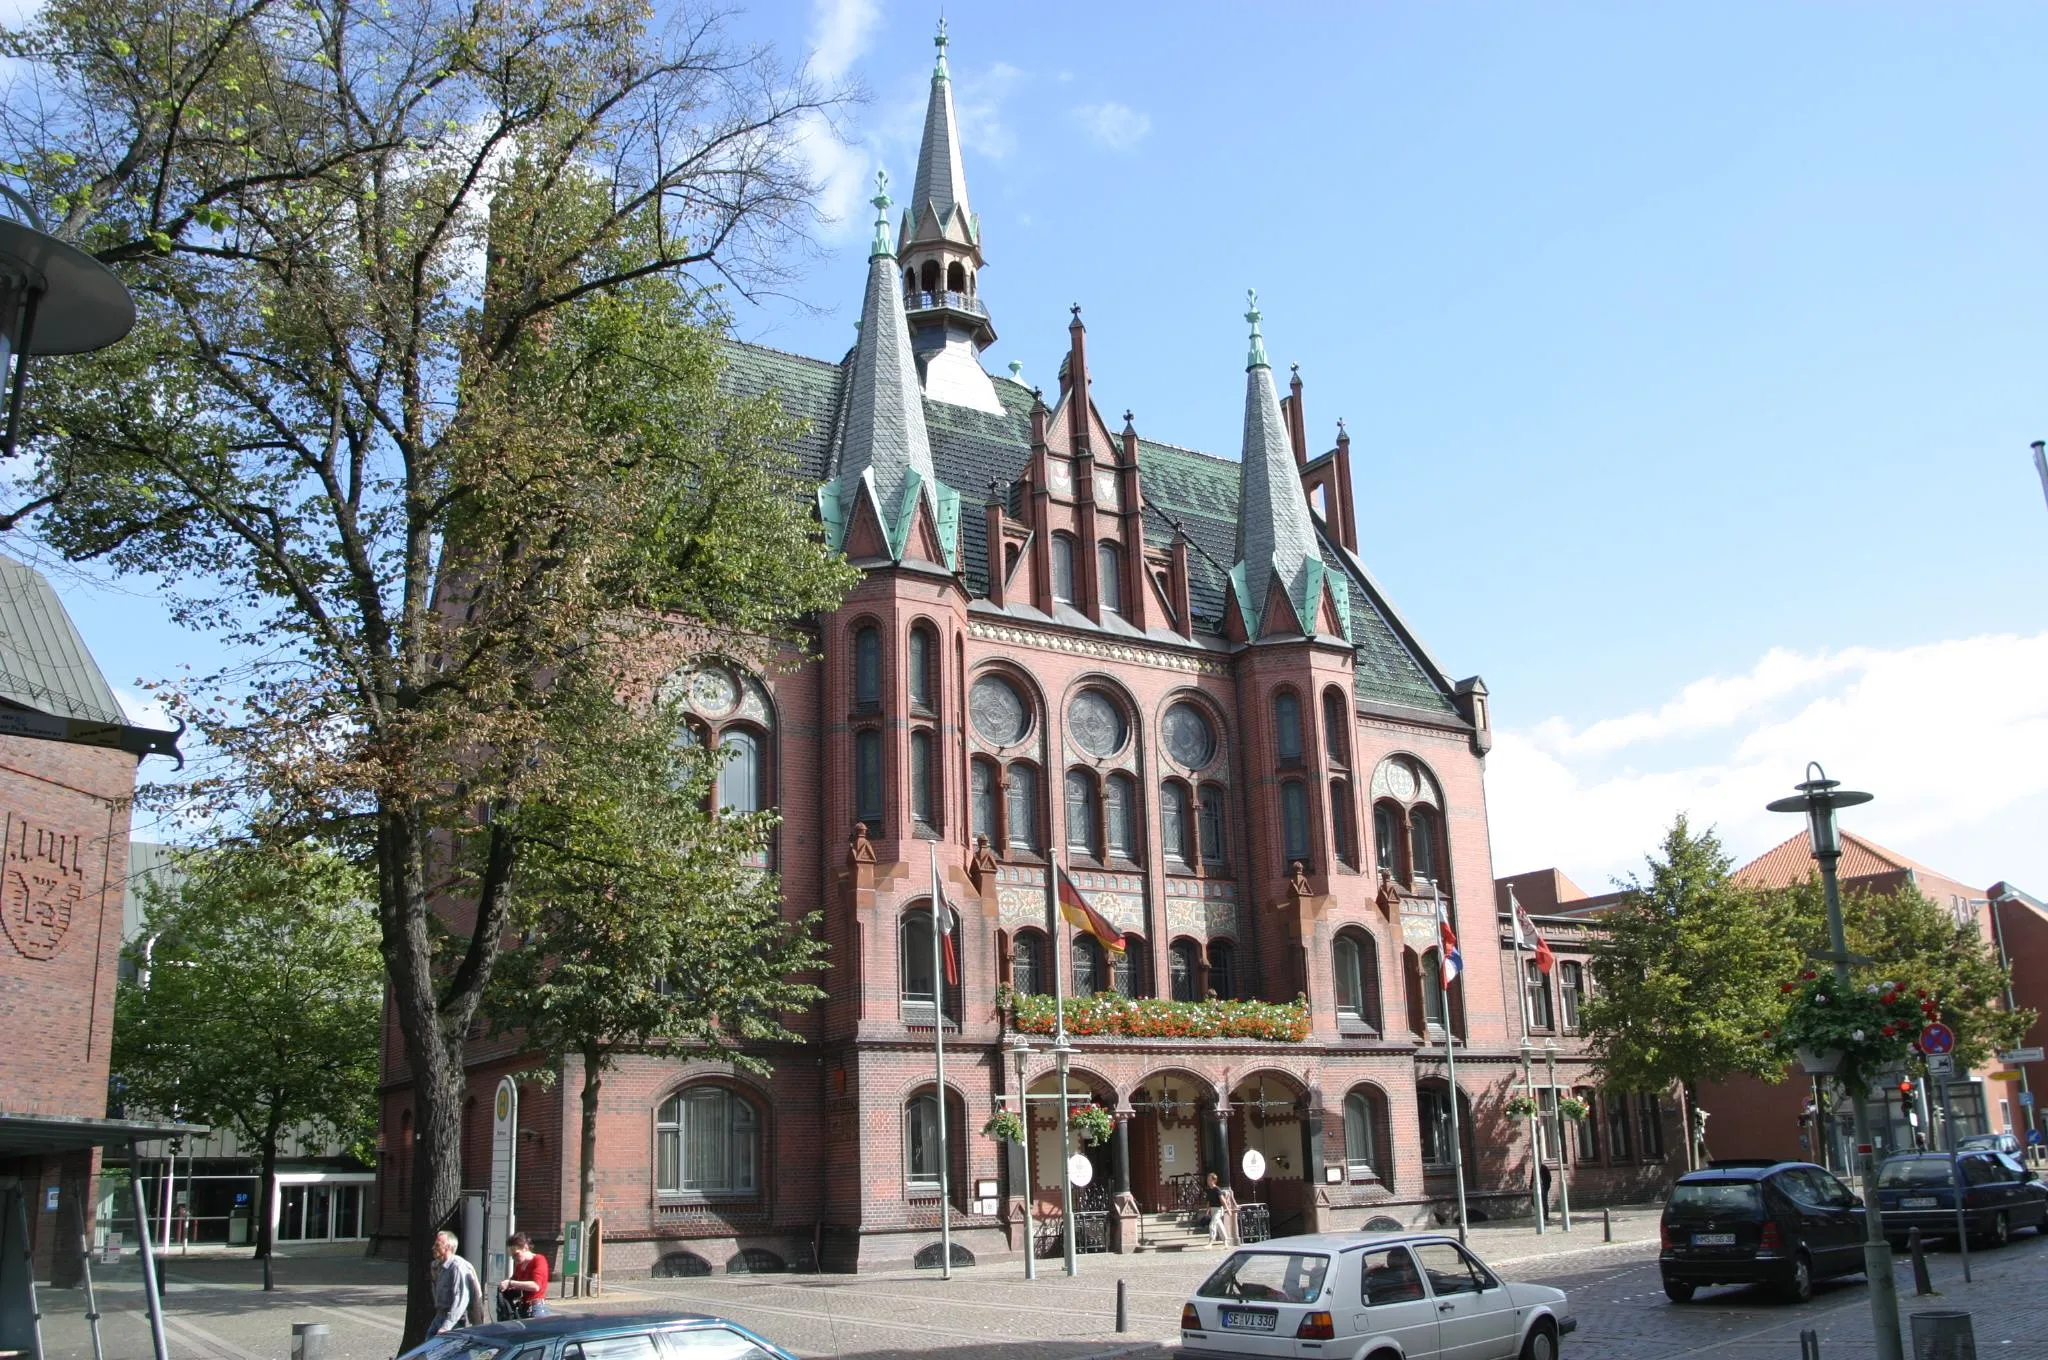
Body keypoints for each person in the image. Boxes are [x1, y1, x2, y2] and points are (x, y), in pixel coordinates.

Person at [429, 1230, 485, 1336]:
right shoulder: (438, 1266)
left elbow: (461, 1298)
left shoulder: (458, 1266)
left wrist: (447, 1326)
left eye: (437, 1245)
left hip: (457, 1320)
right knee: (427, 1347)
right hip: (440, 1316)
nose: (433, 1248)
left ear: (448, 1247)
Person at [498, 1231, 550, 1320]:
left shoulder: (539, 1260)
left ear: (525, 1248)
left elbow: (536, 1286)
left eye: (516, 1254)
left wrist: (511, 1283)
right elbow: (514, 1282)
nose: (514, 1258)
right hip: (524, 1307)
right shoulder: (520, 1265)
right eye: (512, 1256)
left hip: (536, 1308)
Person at [1204, 1172, 1238, 1247]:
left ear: (1214, 1180)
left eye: (1209, 1179)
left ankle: (1210, 1242)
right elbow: (1209, 1202)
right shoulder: (1209, 1190)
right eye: (1207, 1179)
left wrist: (1228, 1209)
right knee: (1219, 1225)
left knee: (1212, 1225)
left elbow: (1223, 1200)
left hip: (1218, 1210)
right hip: (1213, 1210)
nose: (1208, 1181)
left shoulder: (1217, 1189)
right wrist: (1207, 1212)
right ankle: (1225, 1242)